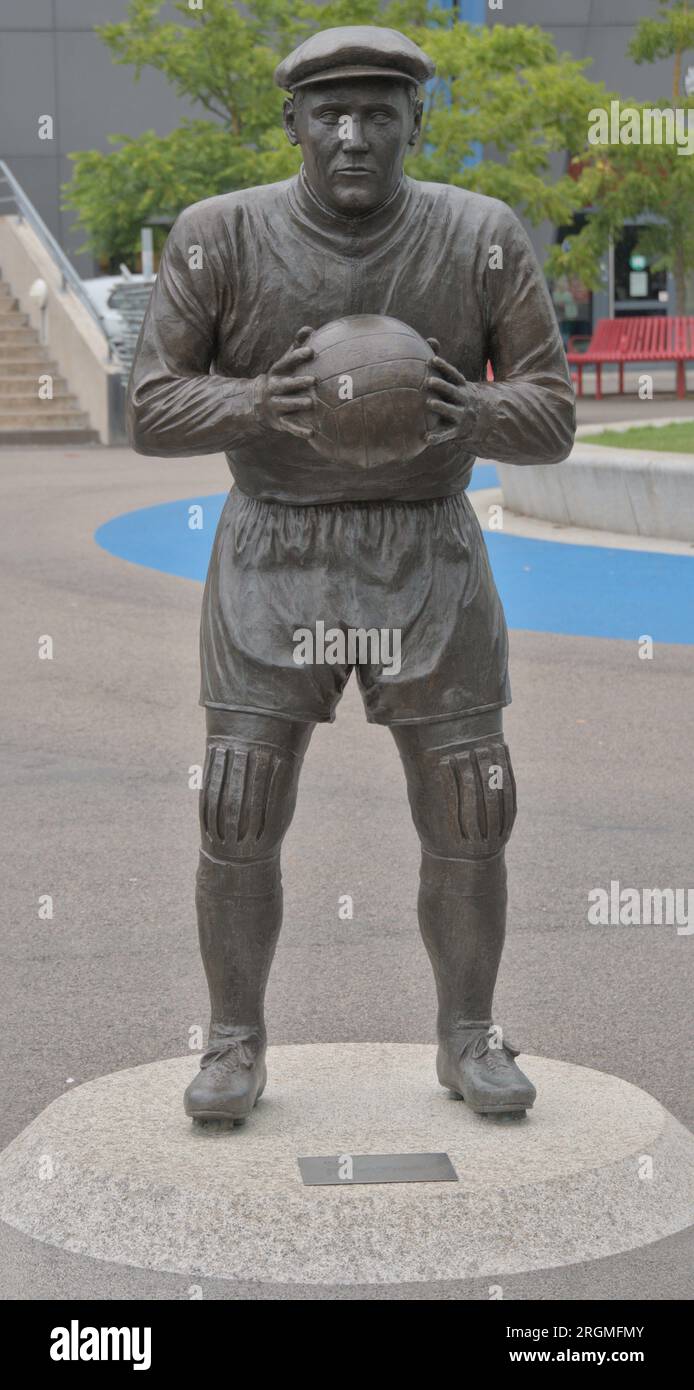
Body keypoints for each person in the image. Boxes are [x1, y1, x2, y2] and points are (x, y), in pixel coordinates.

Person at [128, 25, 576, 1122]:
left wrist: (466, 409)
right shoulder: (219, 235)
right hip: (276, 542)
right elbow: (147, 401)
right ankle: (233, 1039)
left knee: (472, 802)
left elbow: (553, 412)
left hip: (426, 541)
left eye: (380, 113)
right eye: (329, 113)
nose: (352, 134)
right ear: (292, 124)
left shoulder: (477, 236)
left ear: (417, 124)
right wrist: (251, 404)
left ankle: (467, 1032)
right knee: (237, 802)